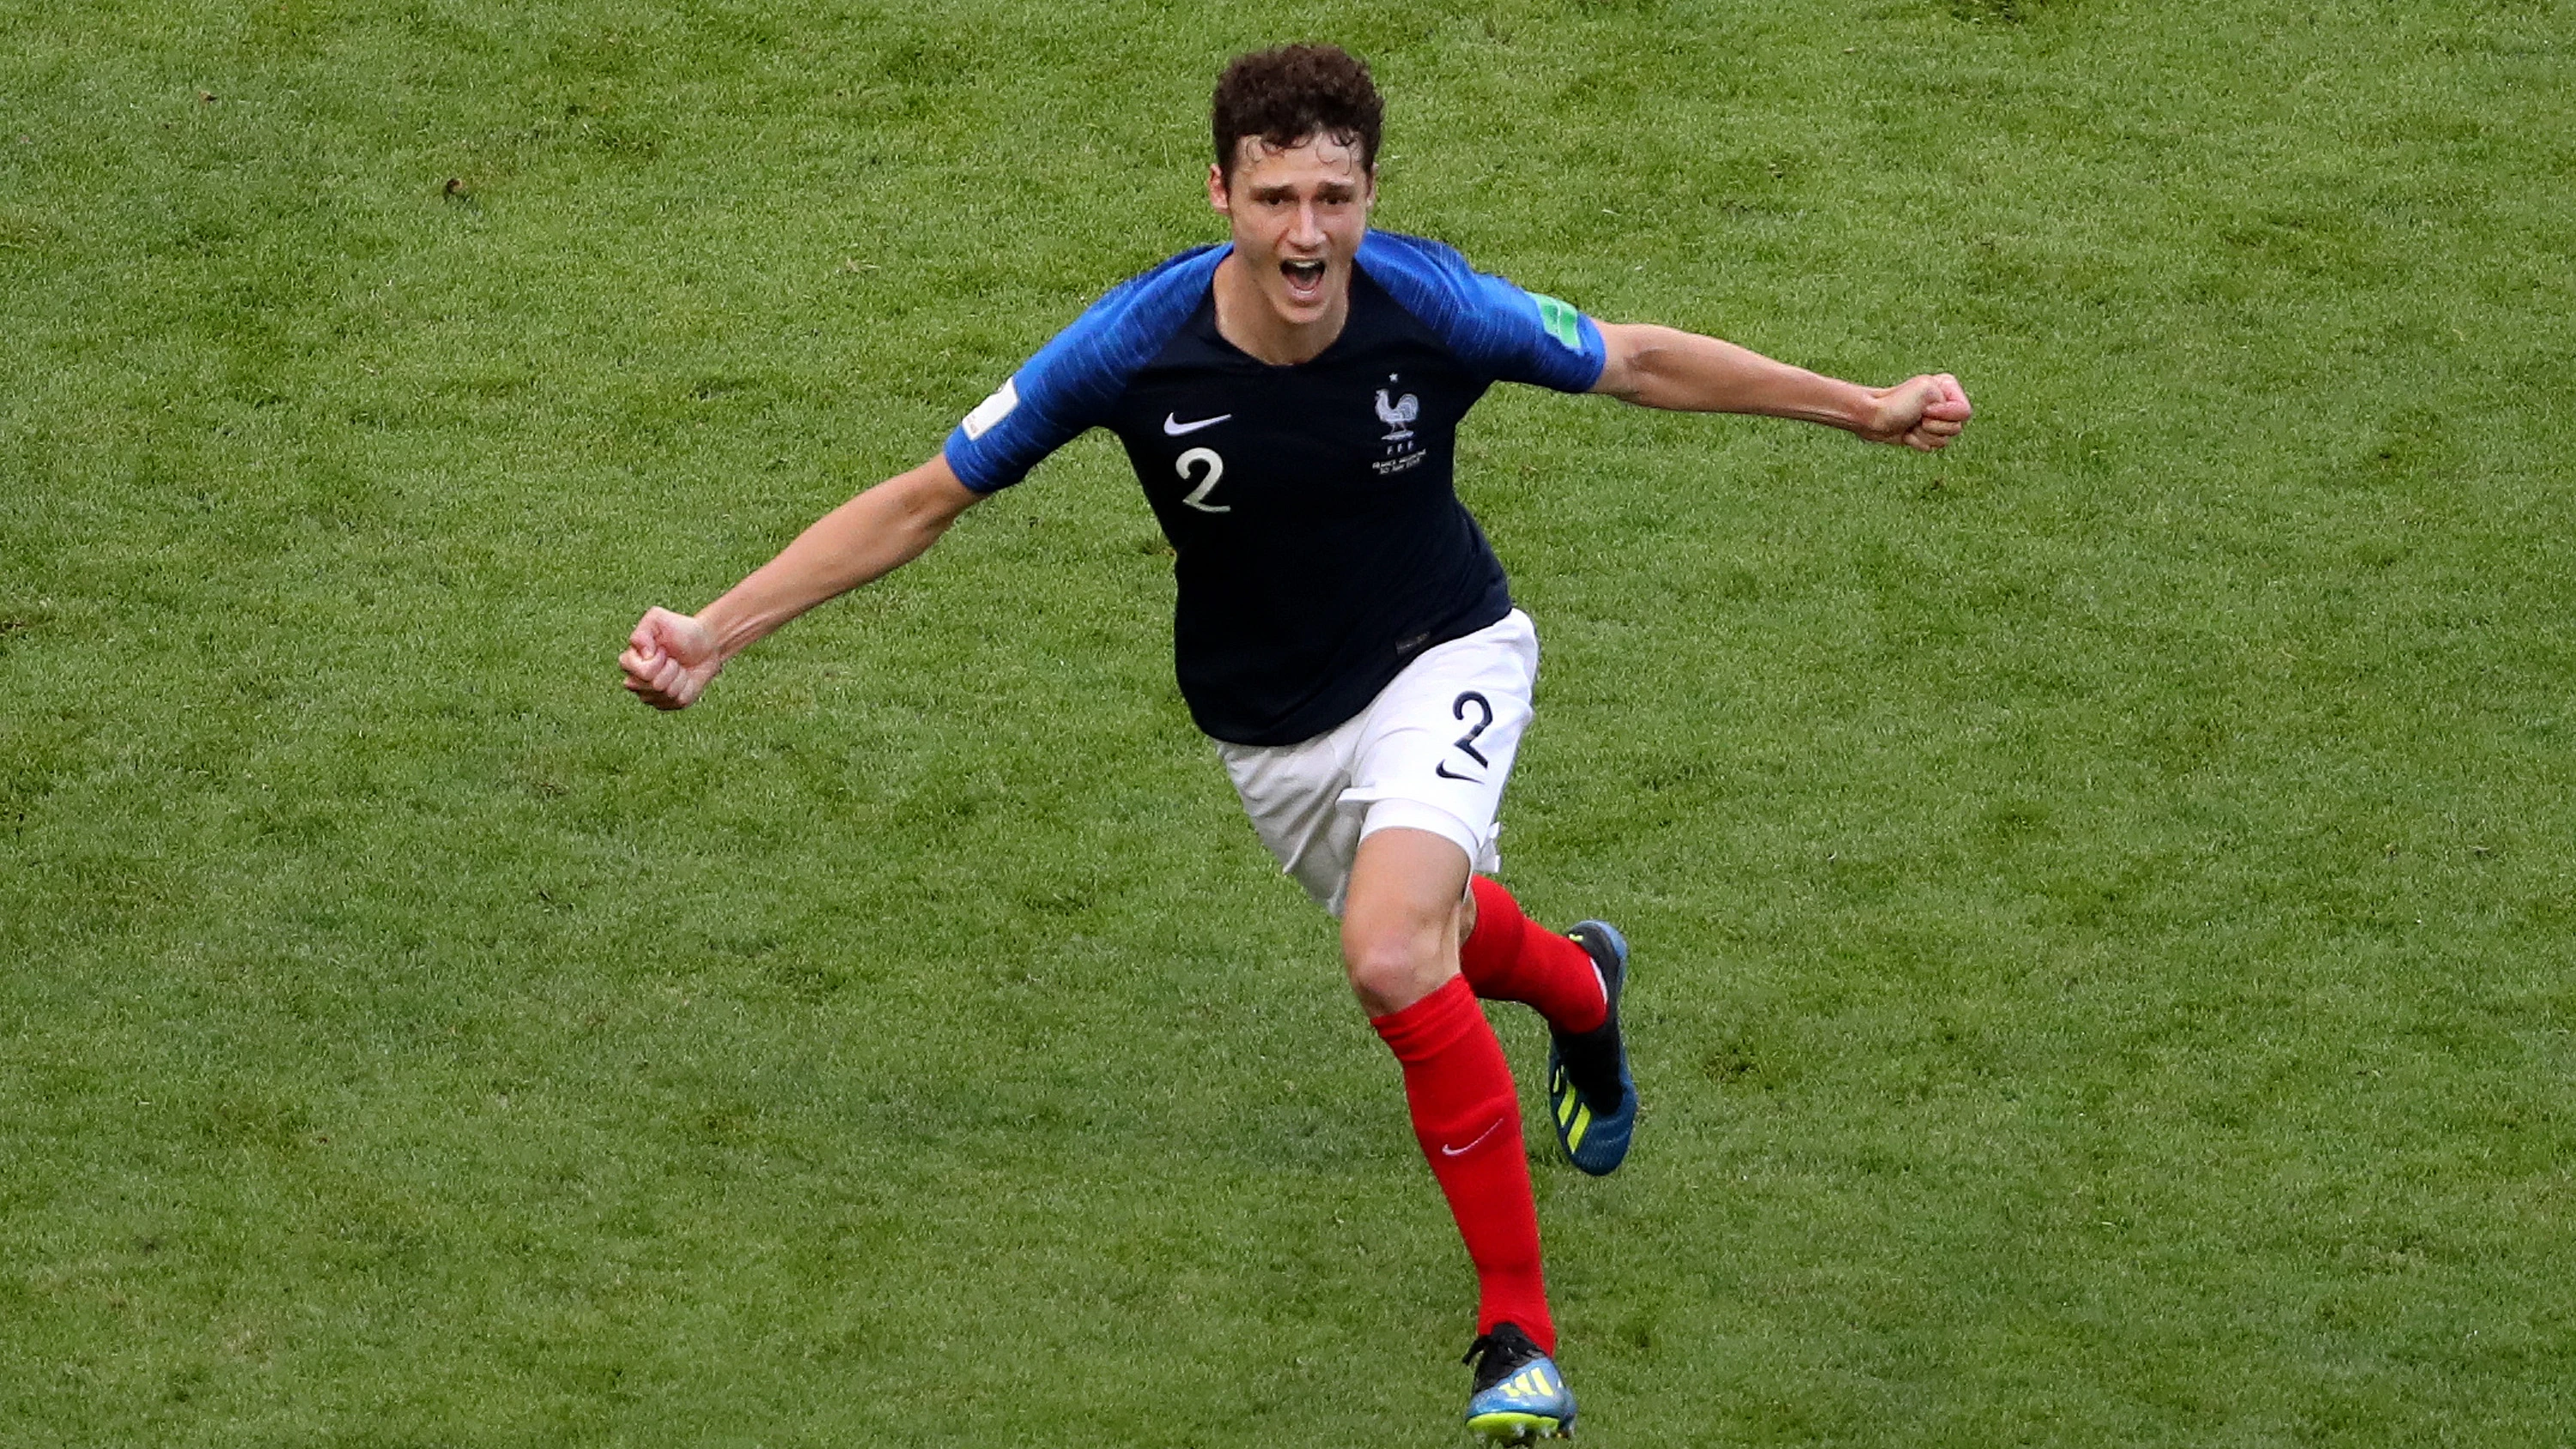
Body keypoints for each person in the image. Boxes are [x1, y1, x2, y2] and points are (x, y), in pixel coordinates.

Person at [620, 42, 1970, 1443]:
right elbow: (924, 498)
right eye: (1275, 197)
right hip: (1270, 729)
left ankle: (1520, 1335)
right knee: (1436, 935)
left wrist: (1862, 407)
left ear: (1372, 195)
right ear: (1221, 193)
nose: (1307, 233)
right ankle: (1579, 987)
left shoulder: (1437, 307)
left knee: (1391, 953)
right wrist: (722, 630)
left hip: (1447, 652)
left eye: (1334, 195)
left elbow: (1634, 361)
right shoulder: (1131, 349)